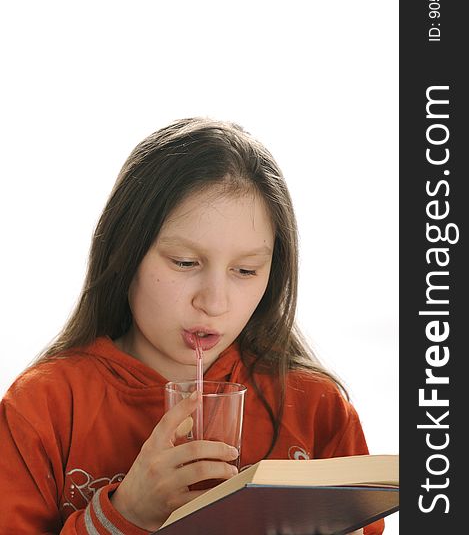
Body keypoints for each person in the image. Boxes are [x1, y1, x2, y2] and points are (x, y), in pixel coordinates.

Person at [0, 117, 383, 534]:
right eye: (185, 262)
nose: (214, 302)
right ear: (124, 252)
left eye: (246, 270)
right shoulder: (42, 408)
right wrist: (125, 515)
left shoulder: (317, 411)